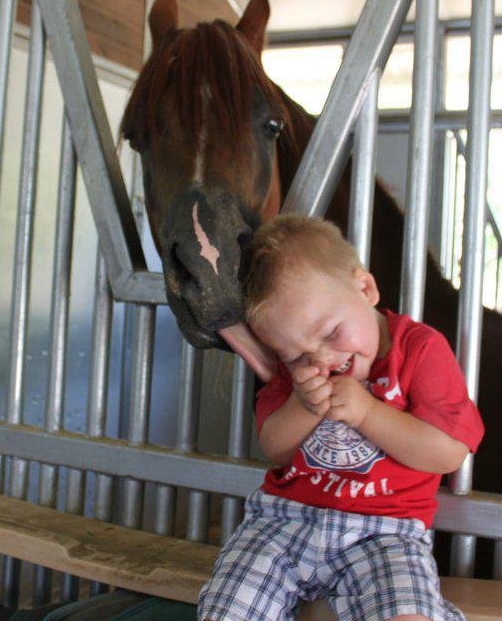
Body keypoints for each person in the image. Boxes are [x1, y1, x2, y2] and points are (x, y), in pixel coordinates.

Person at [198, 214, 484, 621]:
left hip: (386, 533)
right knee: (228, 611)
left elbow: (448, 454)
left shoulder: (420, 349)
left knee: (408, 615)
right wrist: (302, 405)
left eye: (331, 333)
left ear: (364, 288)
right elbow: (276, 449)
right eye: (297, 356)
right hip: (284, 523)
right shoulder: (295, 374)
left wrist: (368, 413)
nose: (323, 361)